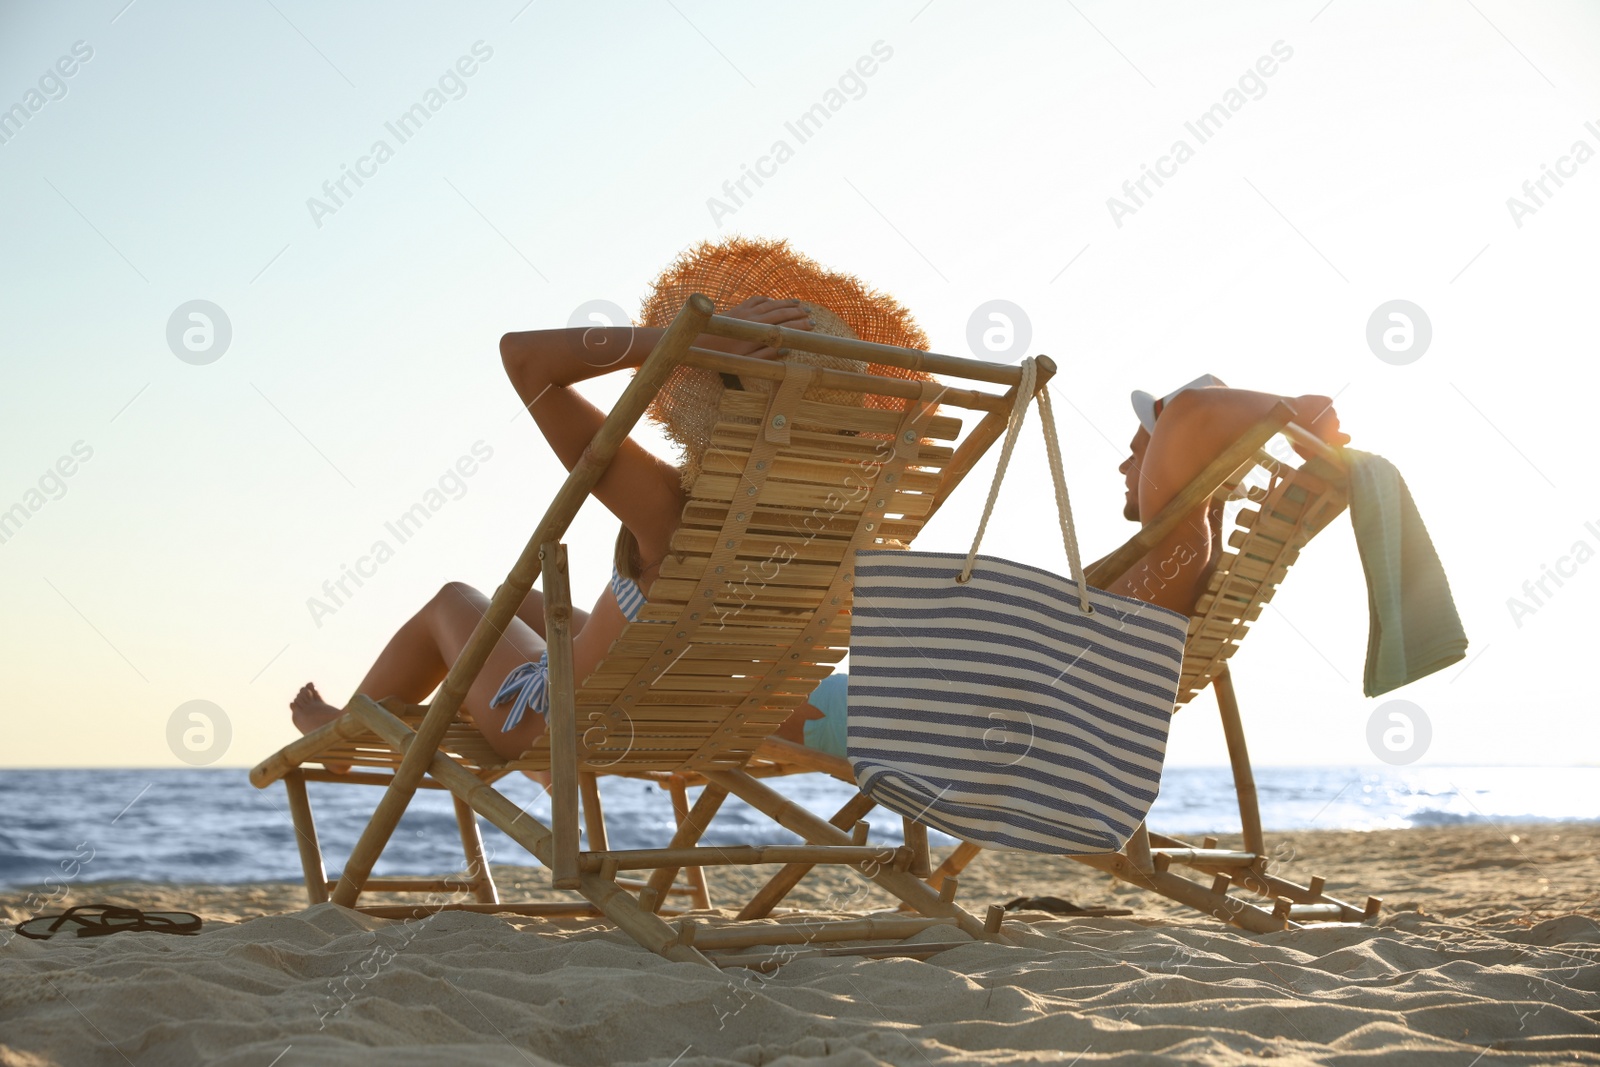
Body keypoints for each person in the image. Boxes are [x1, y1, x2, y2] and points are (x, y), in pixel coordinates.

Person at [288, 237, 932, 764]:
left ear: (711, 403)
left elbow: (522, 359)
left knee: (455, 601)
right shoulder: (843, 532)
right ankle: (403, 707)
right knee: (549, 612)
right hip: (686, 718)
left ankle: (343, 732)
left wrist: (682, 341)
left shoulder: (674, 512)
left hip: (554, 727)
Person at [783, 375, 1352, 758]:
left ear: (1183, 458)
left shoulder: (1183, 542)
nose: (1125, 464)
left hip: (948, 734)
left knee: (728, 706)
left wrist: (1306, 411)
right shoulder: (1188, 553)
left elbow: (1195, 413)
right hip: (958, 716)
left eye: (1143, 448)